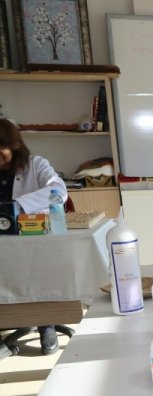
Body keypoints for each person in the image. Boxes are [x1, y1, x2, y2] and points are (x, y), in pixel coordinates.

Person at [0, 118, 68, 356]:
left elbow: (58, 191)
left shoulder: (36, 165)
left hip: (32, 238)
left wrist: (17, 206)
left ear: (15, 146)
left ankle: (46, 324)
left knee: (39, 270)